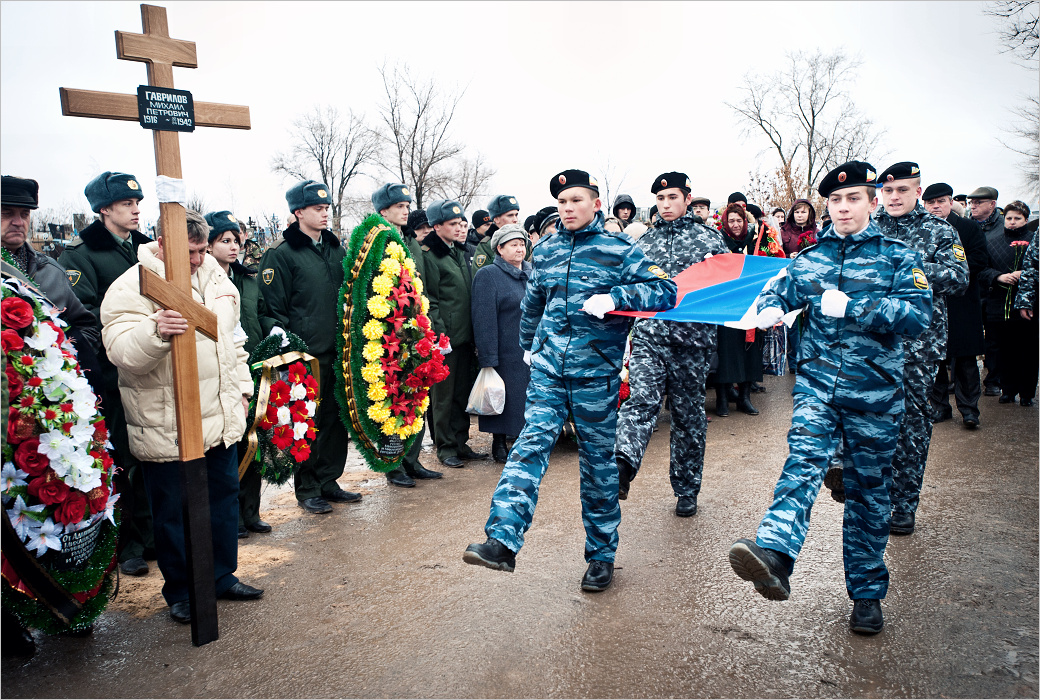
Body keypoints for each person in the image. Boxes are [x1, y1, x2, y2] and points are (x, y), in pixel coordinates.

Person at [728, 160, 931, 635]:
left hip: (875, 395)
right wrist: (771, 308)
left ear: (872, 201)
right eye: (835, 201)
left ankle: (865, 593)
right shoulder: (811, 259)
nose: (843, 207)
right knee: (803, 459)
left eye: (853, 198)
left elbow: (918, 314)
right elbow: (777, 291)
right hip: (818, 387)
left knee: (867, 493)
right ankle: (776, 553)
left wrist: (856, 306)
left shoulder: (896, 255)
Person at [463, 169, 677, 592]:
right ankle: (502, 540)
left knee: (598, 467)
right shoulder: (545, 251)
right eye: (562, 202)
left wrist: (617, 298)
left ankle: (601, 556)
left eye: (576, 200)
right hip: (547, 370)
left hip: (595, 374)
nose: (567, 208)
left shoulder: (619, 250)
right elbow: (534, 302)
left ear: (596, 203)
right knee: (529, 448)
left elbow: (666, 292)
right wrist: (528, 344)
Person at [101, 209, 264, 624]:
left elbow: (233, 341)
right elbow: (120, 352)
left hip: (219, 413)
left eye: (199, 249)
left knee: (223, 500)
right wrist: (155, 331)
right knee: (175, 511)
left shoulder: (215, 278)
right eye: (187, 251)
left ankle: (222, 575)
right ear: (160, 242)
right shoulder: (132, 286)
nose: (196, 259)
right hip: (169, 420)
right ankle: (182, 590)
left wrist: (243, 390)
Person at [614, 172, 729, 517]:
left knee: (688, 416)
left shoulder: (709, 240)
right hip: (650, 337)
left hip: (691, 343)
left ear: (687, 198)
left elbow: (727, 284)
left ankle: (686, 487)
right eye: (661, 200)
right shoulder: (643, 244)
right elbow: (628, 285)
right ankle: (621, 467)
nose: (666, 205)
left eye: (672, 198)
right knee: (642, 400)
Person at [59, 171, 155, 577]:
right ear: (103, 210)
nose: (136, 210)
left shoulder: (147, 248)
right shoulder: (80, 255)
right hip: (115, 374)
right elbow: (83, 317)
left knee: (153, 455)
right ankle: (129, 543)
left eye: (137, 203)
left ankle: (154, 536)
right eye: (125, 204)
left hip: (153, 368)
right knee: (122, 459)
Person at [864, 163, 968, 537]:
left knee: (911, 425)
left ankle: (904, 505)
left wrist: (909, 266)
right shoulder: (869, 228)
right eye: (888, 191)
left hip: (917, 347)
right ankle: (873, 500)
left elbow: (958, 278)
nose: (894, 197)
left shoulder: (939, 230)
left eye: (903, 191)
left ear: (917, 192)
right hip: (871, 343)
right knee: (869, 422)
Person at [259, 180, 361, 514]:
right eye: (317, 209)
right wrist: (288, 351)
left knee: (335, 419)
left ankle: (330, 480)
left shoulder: (335, 248)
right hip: (306, 355)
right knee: (306, 422)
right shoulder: (282, 254)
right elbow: (272, 309)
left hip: (338, 350)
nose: (324, 214)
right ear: (298, 212)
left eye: (326, 209)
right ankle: (308, 488)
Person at [205, 210, 277, 536]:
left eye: (236, 240)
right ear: (208, 245)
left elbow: (262, 316)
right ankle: (230, 519)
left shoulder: (248, 281)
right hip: (224, 371)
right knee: (229, 444)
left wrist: (275, 342)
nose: (234, 247)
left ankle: (252, 512)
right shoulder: (205, 282)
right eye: (225, 240)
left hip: (255, 367)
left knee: (255, 440)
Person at [371, 183, 442, 487]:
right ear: (383, 211)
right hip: (388, 334)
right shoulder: (375, 242)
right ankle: (393, 464)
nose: (405, 210)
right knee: (392, 399)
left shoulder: (410, 243)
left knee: (416, 393)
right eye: (399, 206)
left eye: (406, 205)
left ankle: (412, 460)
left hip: (414, 331)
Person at [1, 176, 101, 389]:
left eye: (25, 214)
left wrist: (63, 361)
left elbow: (86, 325)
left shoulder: (51, 270)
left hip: (49, 398)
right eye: (6, 213)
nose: (18, 222)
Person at [422, 199, 488, 467]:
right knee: (443, 397)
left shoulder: (458, 251)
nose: (458, 227)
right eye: (452, 224)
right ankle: (446, 447)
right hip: (445, 338)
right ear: (437, 226)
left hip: (464, 336)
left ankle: (461, 442)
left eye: (460, 222)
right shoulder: (430, 255)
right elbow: (431, 300)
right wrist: (439, 336)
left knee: (461, 392)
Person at [922, 183, 989, 429]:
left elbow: (980, 259)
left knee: (965, 361)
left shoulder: (968, 228)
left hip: (962, 301)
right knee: (936, 359)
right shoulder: (922, 230)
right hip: (932, 302)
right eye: (931, 203)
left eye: (941, 201)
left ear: (951, 202)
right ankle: (940, 407)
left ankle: (969, 410)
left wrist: (950, 272)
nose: (936, 206)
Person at [470, 223, 532, 463]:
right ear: (499, 249)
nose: (519, 249)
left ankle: (524, 442)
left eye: (522, 244)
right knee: (502, 398)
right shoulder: (488, 275)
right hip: (504, 349)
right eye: (513, 245)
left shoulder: (530, 271)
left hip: (530, 347)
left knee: (526, 398)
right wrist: (488, 358)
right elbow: (483, 319)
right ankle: (498, 442)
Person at [979, 200, 1039, 406]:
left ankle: (1027, 392)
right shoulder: (992, 240)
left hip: (1027, 303)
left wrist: (1027, 273)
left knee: (1027, 349)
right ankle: (1007, 389)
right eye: (1009, 218)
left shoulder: (1034, 240)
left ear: (1026, 219)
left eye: (1017, 218)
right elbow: (982, 269)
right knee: (1001, 348)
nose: (1012, 222)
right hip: (998, 302)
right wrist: (998, 277)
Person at [713, 202, 767, 415]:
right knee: (726, 351)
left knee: (750, 351)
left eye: (739, 220)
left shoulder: (756, 241)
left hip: (750, 304)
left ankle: (745, 397)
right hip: (726, 305)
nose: (735, 225)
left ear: (745, 221)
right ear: (725, 222)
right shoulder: (718, 241)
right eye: (731, 220)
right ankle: (722, 399)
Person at [968, 186, 1005, 396]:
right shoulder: (968, 226)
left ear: (992, 204)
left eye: (978, 202)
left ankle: (993, 379)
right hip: (973, 290)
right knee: (970, 338)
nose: (973, 205)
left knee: (994, 340)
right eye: (972, 202)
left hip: (995, 291)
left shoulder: (1003, 228)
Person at [472, 194, 520, 274]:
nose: (515, 220)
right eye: (510, 215)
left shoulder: (524, 242)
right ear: (496, 219)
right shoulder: (486, 245)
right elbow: (480, 277)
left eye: (516, 215)